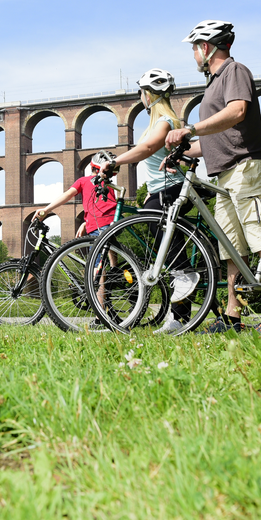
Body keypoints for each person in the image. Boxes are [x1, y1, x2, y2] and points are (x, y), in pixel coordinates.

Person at [165, 20, 261, 333]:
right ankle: (233, 318)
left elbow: (237, 112)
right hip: (224, 175)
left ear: (205, 47)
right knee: (231, 250)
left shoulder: (235, 72)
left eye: (194, 48)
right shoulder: (214, 83)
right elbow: (214, 140)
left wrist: (189, 128)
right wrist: (184, 151)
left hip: (246, 168)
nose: (193, 54)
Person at [98, 68, 199, 333]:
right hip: (159, 189)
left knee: (160, 231)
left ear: (148, 95)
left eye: (142, 93)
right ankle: (178, 319)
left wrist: (114, 161)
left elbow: (147, 148)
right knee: (165, 245)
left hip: (170, 188)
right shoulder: (161, 120)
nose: (141, 98)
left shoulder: (164, 119)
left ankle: (186, 275)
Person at [33, 152, 117, 238]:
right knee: (110, 247)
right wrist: (86, 223)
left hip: (98, 224)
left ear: (92, 167)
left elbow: (68, 194)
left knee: (100, 250)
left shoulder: (83, 181)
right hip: (115, 221)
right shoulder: (109, 184)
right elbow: (105, 207)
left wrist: (47, 209)